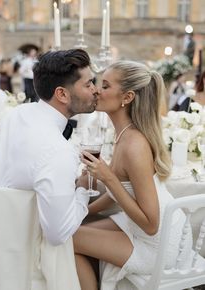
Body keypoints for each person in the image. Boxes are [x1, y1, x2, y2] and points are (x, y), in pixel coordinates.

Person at [73, 61, 192, 290]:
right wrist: (84, 211)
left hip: (158, 242)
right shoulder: (124, 134)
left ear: (126, 98)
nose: (97, 90)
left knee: (67, 240)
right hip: (142, 226)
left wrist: (107, 178)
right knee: (73, 228)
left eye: (105, 86)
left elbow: (151, 224)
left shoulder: (134, 145)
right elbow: (123, 191)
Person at [0, 48, 98, 247]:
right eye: (88, 84)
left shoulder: (17, 113)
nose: (96, 90)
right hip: (20, 253)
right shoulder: (58, 150)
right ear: (62, 94)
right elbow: (58, 234)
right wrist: (84, 188)